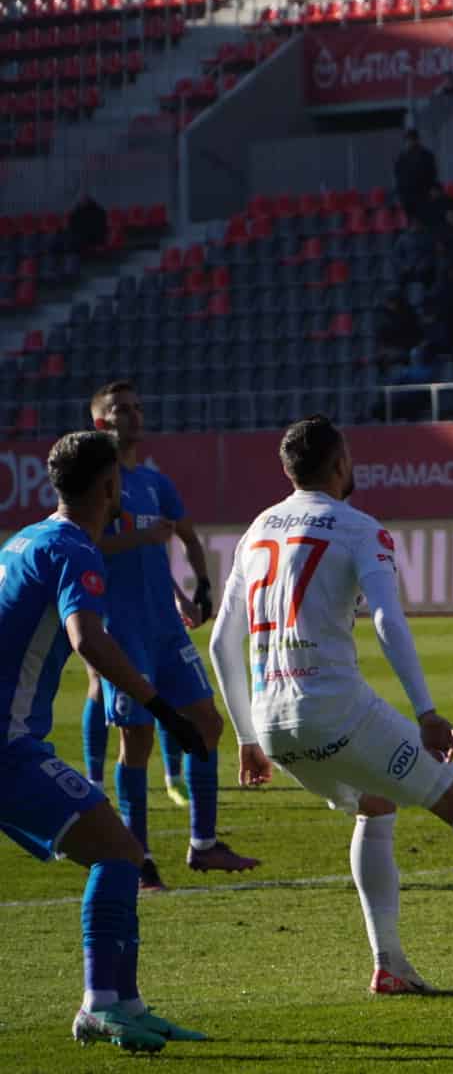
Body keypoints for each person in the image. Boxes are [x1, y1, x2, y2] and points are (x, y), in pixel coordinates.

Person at [207, 416, 453, 995]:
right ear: (339, 464)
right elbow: (387, 618)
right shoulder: (359, 528)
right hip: (333, 705)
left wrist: (245, 738)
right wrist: (426, 712)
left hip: (272, 723)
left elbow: (220, 641)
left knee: (375, 805)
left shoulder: (257, 528)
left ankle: (390, 965)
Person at [2, 430, 218, 1052]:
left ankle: (126, 1003)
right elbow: (87, 639)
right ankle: (101, 1003)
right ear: (108, 486)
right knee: (118, 853)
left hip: (14, 738)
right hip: (7, 743)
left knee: (119, 849)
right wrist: (158, 706)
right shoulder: (74, 549)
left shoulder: (25, 539)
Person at [87, 382, 257, 892]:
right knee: (135, 739)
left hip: (164, 627)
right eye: (121, 409)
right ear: (101, 423)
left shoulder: (153, 483)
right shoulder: (96, 481)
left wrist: (197, 588)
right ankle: (135, 858)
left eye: (138, 407)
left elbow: (183, 536)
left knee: (207, 723)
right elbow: (88, 543)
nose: (134, 415)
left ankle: (203, 845)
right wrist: (143, 537)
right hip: (122, 630)